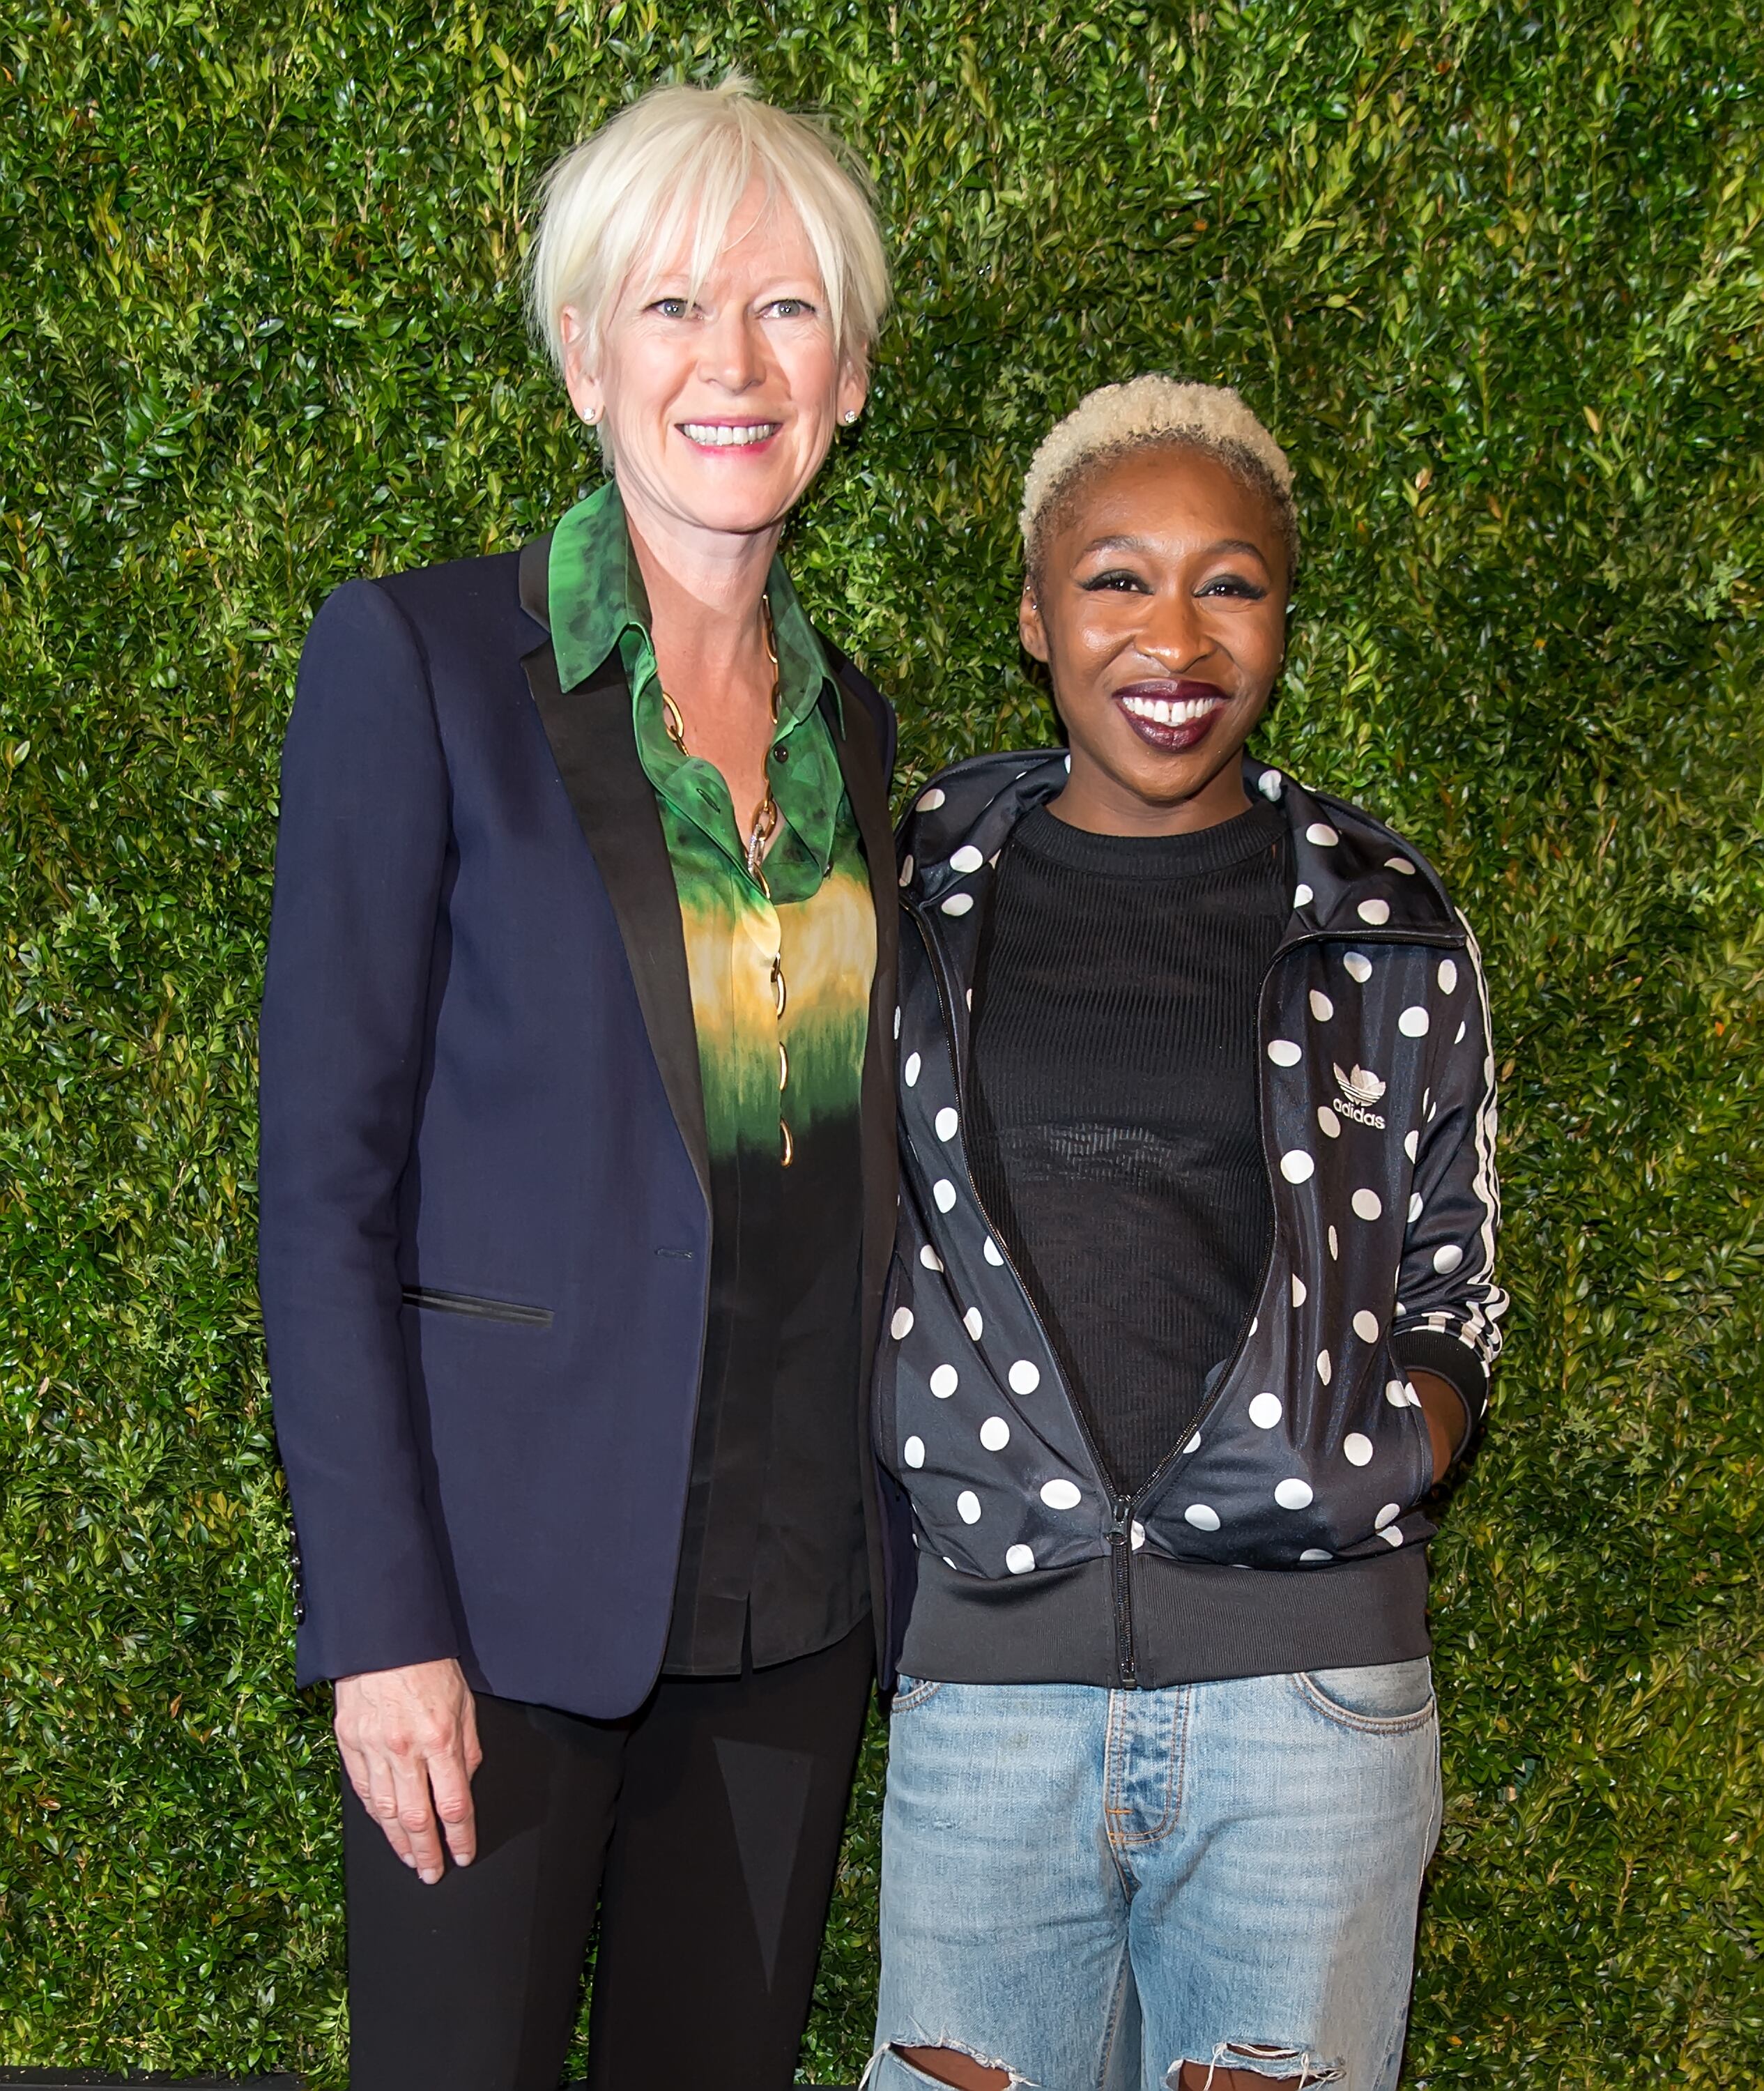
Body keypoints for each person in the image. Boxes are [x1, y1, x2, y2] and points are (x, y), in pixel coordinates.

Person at [258, 76, 903, 2091]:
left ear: (852, 378)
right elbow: (325, 1184)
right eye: (670, 308)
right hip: (496, 1621)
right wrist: (380, 1630)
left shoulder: (855, 735)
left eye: (787, 311)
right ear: (578, 357)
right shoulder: (422, 665)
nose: (731, 363)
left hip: (789, 1618)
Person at [869, 376, 1505, 2091]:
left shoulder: (1387, 921)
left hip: (1316, 1717)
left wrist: (1386, 1446)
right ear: (1035, 614)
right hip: (986, 1700)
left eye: (1229, 583)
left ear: (1282, 622)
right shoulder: (913, 888)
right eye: (1116, 578)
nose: (1176, 635)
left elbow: (1453, 1270)